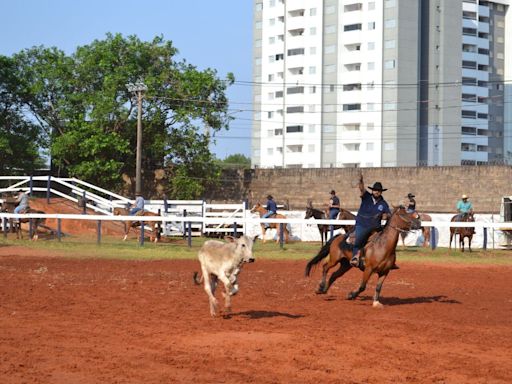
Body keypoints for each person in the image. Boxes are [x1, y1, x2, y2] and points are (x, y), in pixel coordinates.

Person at [350, 174, 391, 268]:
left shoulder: (383, 203)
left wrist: (385, 215)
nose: (377, 192)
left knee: (385, 240)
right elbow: (362, 189)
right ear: (372, 190)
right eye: (375, 190)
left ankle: (387, 259)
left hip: (375, 227)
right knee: (358, 241)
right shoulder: (366, 196)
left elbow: (388, 214)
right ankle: (355, 257)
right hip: (362, 224)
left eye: (379, 191)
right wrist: (361, 181)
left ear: (381, 192)